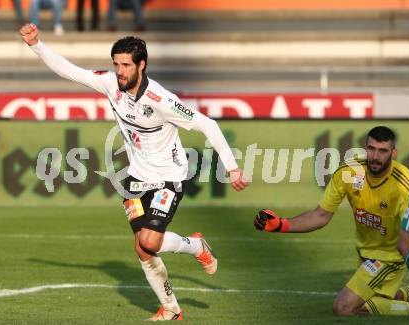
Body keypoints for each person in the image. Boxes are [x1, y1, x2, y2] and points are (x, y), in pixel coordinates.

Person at [19, 23, 248, 321]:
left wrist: (231, 167)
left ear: (142, 65)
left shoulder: (162, 101)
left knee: (150, 241)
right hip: (136, 178)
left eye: (126, 65)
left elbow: (209, 125)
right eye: (116, 64)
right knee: (142, 250)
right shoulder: (110, 84)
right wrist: (37, 45)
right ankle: (171, 309)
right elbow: (70, 71)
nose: (120, 71)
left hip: (169, 176)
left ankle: (195, 246)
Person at [254, 126, 409, 316]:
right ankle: (408, 294)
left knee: (344, 307)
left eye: (383, 151)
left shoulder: (404, 185)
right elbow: (320, 215)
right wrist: (281, 224)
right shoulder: (349, 172)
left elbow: (408, 237)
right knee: (369, 299)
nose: (375, 156)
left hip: (390, 257)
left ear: (393, 154)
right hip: (365, 253)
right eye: (371, 148)